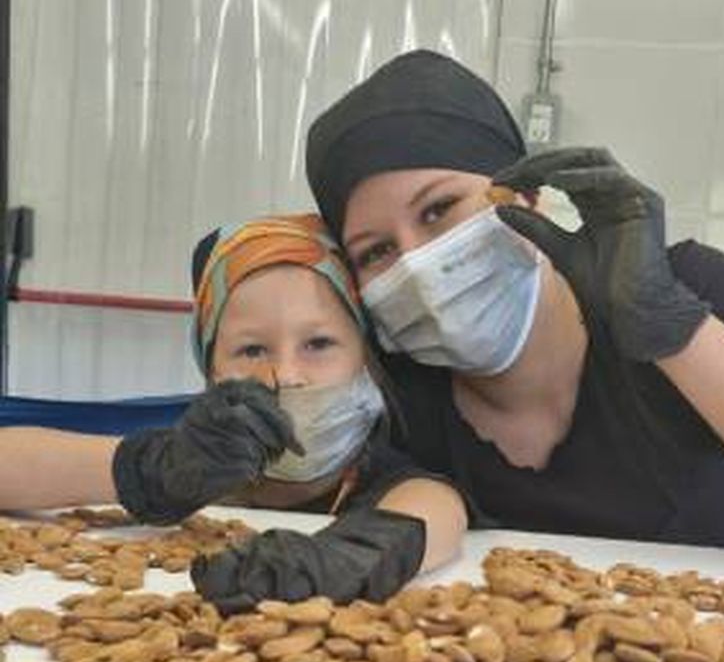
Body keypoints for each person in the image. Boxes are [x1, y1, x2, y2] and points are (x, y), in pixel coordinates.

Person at [306, 49, 724, 551]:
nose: (417, 266)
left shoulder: (693, 283)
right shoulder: (403, 403)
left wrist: (672, 322)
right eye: (376, 251)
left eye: (439, 209)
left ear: (524, 196)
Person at [0, 214, 466, 604]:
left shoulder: (383, 477)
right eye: (251, 350)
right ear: (211, 370)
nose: (286, 375)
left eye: (319, 343)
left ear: (365, 358)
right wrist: (154, 471)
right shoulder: (190, 456)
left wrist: (343, 560)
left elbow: (437, 508)